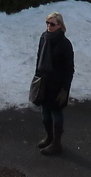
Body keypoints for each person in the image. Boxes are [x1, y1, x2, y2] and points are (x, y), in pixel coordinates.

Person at [32, 11, 74, 156]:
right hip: (44, 82)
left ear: (60, 26)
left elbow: (69, 69)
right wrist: (37, 76)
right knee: (45, 114)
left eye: (52, 24)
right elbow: (39, 58)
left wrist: (64, 89)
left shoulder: (65, 44)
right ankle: (49, 136)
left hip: (57, 85)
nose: (49, 26)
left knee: (56, 113)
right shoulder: (44, 38)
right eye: (47, 23)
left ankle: (57, 143)